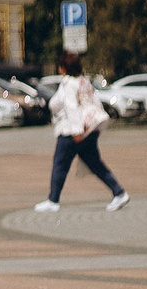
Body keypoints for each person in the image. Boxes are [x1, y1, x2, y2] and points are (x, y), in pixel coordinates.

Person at [39, 54, 129, 213]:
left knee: (60, 164)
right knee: (94, 163)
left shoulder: (69, 83)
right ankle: (118, 192)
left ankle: (53, 200)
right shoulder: (84, 81)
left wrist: (76, 131)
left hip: (71, 132)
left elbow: (71, 107)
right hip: (89, 129)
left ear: (64, 68)